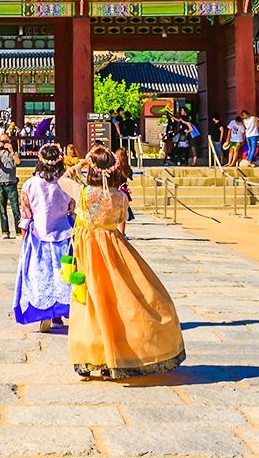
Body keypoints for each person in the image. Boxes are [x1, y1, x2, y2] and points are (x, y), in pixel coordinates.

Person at [59, 146, 185, 379]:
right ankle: (116, 356)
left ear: (93, 170)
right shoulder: (120, 197)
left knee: (91, 301)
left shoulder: (84, 193)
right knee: (120, 299)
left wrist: (80, 166)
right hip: (114, 247)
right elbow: (120, 220)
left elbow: (62, 180)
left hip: (89, 249)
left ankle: (92, 355)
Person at [13, 143, 74, 332]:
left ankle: (44, 313)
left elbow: (26, 215)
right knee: (64, 275)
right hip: (64, 235)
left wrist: (24, 238)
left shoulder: (30, 184)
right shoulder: (65, 183)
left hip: (39, 236)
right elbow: (72, 211)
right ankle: (59, 315)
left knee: (40, 276)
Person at [0, 137, 21, 239]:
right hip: (1, 183)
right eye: (2, 141)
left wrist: (11, 151)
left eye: (6, 141)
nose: (4, 143)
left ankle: (18, 232)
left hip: (11, 183)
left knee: (15, 209)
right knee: (2, 209)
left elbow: (18, 162)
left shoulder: (13, 153)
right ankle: (5, 231)